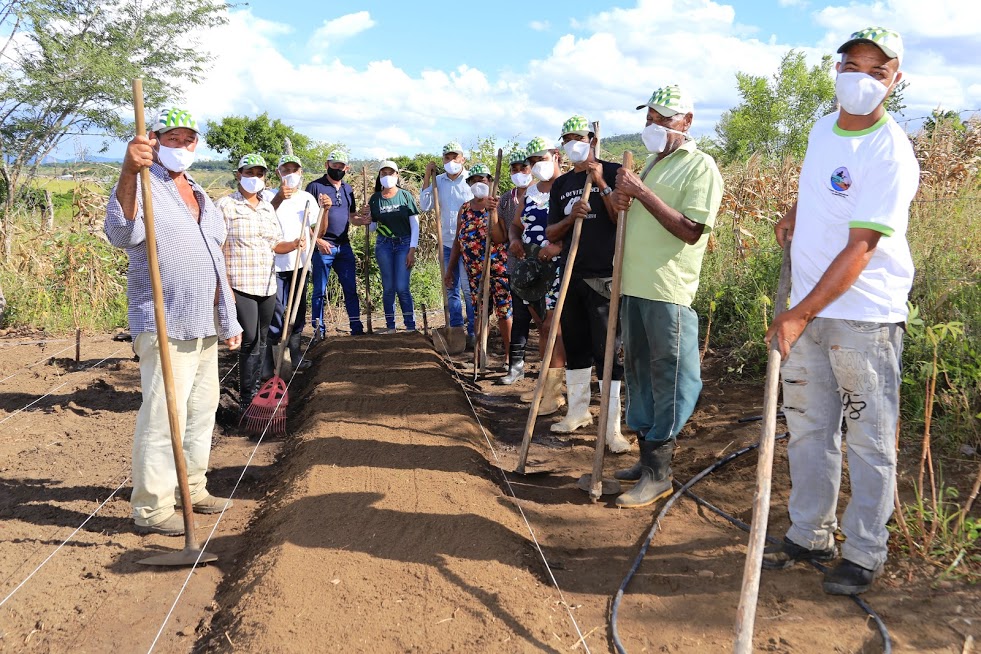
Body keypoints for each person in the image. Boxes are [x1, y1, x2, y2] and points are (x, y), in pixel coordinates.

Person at [761, 27, 918, 596]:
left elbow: (862, 247)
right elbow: (823, 185)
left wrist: (798, 312)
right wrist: (795, 212)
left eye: (877, 71)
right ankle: (809, 533)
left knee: (869, 437)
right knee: (808, 428)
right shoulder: (822, 128)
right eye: (853, 65)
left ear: (894, 81)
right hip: (810, 307)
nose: (861, 79)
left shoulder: (891, 150)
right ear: (837, 70)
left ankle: (866, 550)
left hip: (862, 317)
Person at [105, 107, 241, 536]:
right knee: (164, 417)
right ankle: (152, 507)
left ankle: (192, 488)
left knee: (202, 412)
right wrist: (129, 169)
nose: (180, 147)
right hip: (164, 321)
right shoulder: (145, 184)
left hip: (204, 323)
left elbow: (216, 260)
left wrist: (229, 318)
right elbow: (122, 235)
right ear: (155, 141)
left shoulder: (200, 194)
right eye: (172, 140)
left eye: (188, 141)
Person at [609, 86, 724, 508]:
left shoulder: (700, 167)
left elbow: (691, 229)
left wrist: (641, 193)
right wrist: (621, 197)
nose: (654, 126)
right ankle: (645, 458)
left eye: (665, 118)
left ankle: (660, 472)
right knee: (638, 372)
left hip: (666, 290)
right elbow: (631, 215)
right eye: (650, 118)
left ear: (687, 121)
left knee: (670, 375)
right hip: (633, 286)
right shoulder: (655, 163)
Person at [546, 116, 631, 454]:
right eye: (566, 138)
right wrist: (571, 217)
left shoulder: (612, 172)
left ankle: (612, 428)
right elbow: (552, 232)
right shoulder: (561, 184)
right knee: (577, 348)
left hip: (605, 277)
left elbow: (619, 216)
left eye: (577, 137)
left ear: (593, 139)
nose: (571, 143)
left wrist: (601, 183)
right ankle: (578, 413)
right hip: (572, 275)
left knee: (608, 353)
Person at [216, 154, 304, 414]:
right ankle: (247, 395)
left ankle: (256, 388)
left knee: (263, 337)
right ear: (238, 175)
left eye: (259, 174)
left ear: (266, 178)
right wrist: (224, 286)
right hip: (240, 283)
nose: (254, 178)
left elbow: (275, 244)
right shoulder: (225, 206)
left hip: (267, 285)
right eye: (249, 173)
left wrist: (295, 244)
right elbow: (216, 247)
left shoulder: (267, 207)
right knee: (250, 337)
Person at [508, 137, 566, 414]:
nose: (535, 166)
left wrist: (558, 247)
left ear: (555, 155)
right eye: (531, 162)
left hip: (560, 268)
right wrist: (514, 240)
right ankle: (545, 389)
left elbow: (583, 226)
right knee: (543, 328)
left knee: (552, 328)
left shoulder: (568, 187)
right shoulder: (530, 192)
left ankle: (554, 395)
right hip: (533, 270)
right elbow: (515, 226)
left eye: (539, 159)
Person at [445, 163, 511, 360]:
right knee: (480, 313)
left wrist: (494, 214)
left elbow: (500, 238)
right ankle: (480, 355)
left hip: (497, 269)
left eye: (481, 180)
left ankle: (510, 357)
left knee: (503, 313)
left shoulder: (498, 205)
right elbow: (458, 240)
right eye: (473, 181)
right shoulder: (464, 209)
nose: (477, 184)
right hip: (474, 272)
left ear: (490, 182)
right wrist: (450, 270)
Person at [262, 154, 318, 374]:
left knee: (297, 312)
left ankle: (295, 357)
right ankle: (272, 363)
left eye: (295, 170)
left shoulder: (306, 198)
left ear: (301, 173)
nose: (291, 174)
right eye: (286, 170)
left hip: (299, 263)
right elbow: (263, 218)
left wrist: (327, 209)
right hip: (274, 264)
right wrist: (278, 198)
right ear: (278, 173)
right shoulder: (266, 196)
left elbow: (318, 229)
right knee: (275, 312)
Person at [420, 142, 476, 348]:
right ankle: (456, 329)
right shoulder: (438, 181)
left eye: (455, 157)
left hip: (467, 243)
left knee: (468, 290)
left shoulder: (470, 181)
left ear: (462, 158)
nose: (451, 161)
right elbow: (425, 205)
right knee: (450, 287)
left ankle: (473, 332)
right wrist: (427, 175)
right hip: (446, 242)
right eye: (447, 158)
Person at [306, 150, 364, 339]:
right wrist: (318, 240)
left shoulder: (348, 189)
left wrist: (362, 219)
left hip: (344, 246)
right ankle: (318, 332)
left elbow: (351, 216)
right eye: (334, 165)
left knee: (350, 289)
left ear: (346, 168)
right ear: (327, 165)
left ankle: (356, 328)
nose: (337, 169)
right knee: (319, 291)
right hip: (324, 247)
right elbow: (304, 221)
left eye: (341, 166)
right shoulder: (315, 187)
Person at [358, 160, 420, 332]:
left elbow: (415, 225)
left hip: (404, 244)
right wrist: (367, 218)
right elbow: (372, 227)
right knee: (389, 288)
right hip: (384, 244)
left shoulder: (405, 196)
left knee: (402, 287)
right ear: (379, 176)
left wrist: (412, 250)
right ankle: (390, 326)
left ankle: (410, 326)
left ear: (397, 175)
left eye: (390, 173)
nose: (387, 176)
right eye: (383, 173)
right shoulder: (375, 199)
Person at [500, 149, 532, 384]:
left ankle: (554, 370)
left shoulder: (544, 193)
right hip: (514, 265)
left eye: (524, 168)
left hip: (542, 264)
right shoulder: (504, 199)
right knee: (519, 315)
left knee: (547, 319)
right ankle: (516, 367)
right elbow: (501, 234)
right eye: (514, 169)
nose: (519, 173)